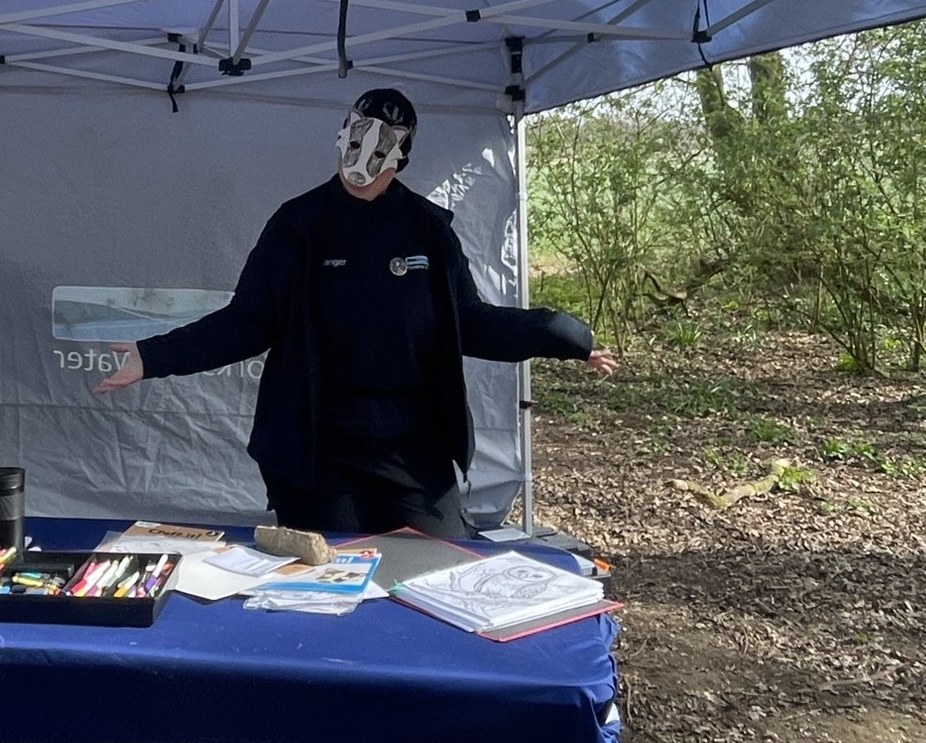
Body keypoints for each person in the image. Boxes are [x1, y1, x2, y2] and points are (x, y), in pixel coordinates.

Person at [93, 88, 616, 538]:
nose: (364, 157)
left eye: (383, 145)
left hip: (415, 449)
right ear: (342, 136)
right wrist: (152, 356)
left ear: (402, 156)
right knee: (331, 580)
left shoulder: (428, 231)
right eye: (357, 136)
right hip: (321, 448)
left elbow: (470, 323)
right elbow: (248, 322)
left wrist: (562, 334)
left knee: (432, 575)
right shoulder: (298, 226)